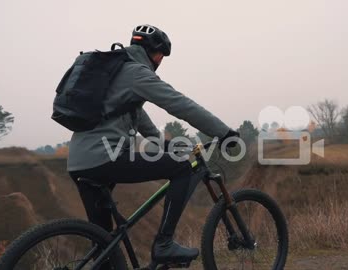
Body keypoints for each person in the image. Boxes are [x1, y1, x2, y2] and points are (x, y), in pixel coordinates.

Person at [67, 24, 239, 266]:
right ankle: (164, 244)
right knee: (182, 167)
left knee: (103, 243)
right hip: (105, 157)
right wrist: (224, 132)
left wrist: (165, 145)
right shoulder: (136, 72)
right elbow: (179, 103)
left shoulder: (116, 72)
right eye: (162, 56)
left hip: (79, 161)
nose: (161, 61)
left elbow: (137, 118)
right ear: (155, 53)